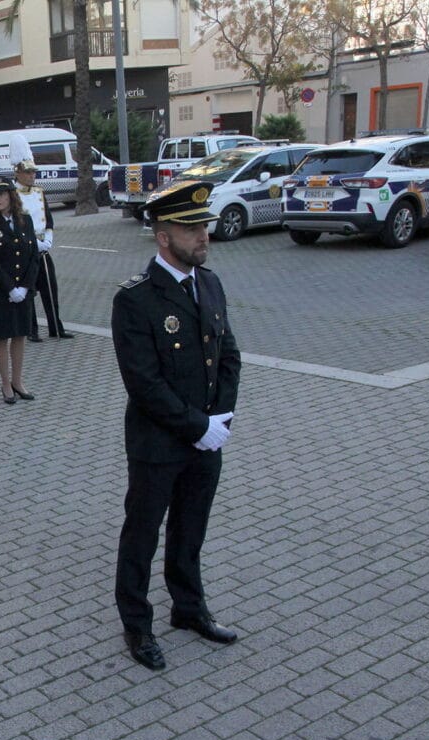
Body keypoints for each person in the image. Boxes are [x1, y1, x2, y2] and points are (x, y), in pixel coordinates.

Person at [111, 179, 242, 672]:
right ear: (164, 237)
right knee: (141, 536)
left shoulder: (209, 282)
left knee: (191, 531)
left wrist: (220, 419)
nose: (204, 235)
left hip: (206, 438)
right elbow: (143, 384)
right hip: (158, 444)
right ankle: (137, 625)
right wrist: (197, 426)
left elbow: (229, 356)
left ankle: (188, 609)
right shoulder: (136, 300)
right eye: (192, 229)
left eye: (204, 225)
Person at [0, 180, 40, 404]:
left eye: (2, 194)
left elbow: (33, 256)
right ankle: (5, 383)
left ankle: (18, 381)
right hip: (0, 291)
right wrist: (10, 288)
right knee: (1, 337)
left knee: (20, 335)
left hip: (23, 290)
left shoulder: (26, 221)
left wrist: (25, 286)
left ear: (11, 196)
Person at [11, 140, 72, 341]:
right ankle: (32, 330)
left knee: (50, 289)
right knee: (29, 293)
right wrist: (33, 242)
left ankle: (56, 326)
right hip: (25, 249)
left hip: (43, 248)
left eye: (33, 172)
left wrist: (49, 238)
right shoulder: (12, 195)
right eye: (28, 172)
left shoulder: (38, 192)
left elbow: (48, 217)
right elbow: (15, 224)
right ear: (17, 172)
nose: (32, 176)